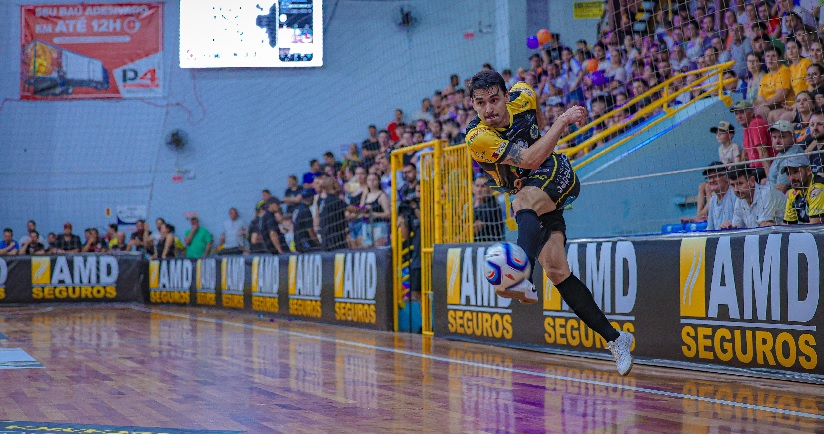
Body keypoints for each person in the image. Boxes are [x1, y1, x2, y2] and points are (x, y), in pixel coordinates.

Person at [466, 69, 633, 375]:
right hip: (531, 192)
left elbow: (538, 131)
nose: (488, 109)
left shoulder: (524, 95)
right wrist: (557, 125)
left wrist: (561, 121)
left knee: (521, 202)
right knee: (557, 270)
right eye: (480, 103)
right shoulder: (477, 137)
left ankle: (520, 274)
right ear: (473, 105)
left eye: (494, 100)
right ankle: (616, 338)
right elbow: (528, 158)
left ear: (506, 96)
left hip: (555, 172)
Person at [721, 165, 786, 228]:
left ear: (752, 181)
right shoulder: (740, 199)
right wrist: (729, 227)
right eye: (732, 185)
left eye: (740, 184)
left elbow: (764, 228)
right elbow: (737, 227)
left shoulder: (766, 194)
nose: (736, 189)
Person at [766, 120, 806, 193]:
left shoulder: (793, 156)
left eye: (782, 137)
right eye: (774, 137)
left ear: (792, 137)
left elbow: (781, 188)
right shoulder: (783, 152)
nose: (777, 141)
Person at [783, 156, 824, 224]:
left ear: (808, 170)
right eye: (788, 174)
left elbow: (815, 224)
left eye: (796, 172)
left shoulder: (818, 188)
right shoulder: (792, 193)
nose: (791, 178)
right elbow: (787, 225)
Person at [702, 164, 737, 231]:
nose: (712, 180)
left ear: (726, 177)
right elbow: (710, 228)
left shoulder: (735, 194)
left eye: (715, 176)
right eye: (709, 178)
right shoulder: (713, 199)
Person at [472, 174, 506, 242]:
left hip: (490, 245)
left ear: (490, 188)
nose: (479, 190)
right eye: (477, 186)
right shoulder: (471, 204)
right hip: (475, 244)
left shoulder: (492, 206)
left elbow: (475, 228)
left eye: (483, 186)